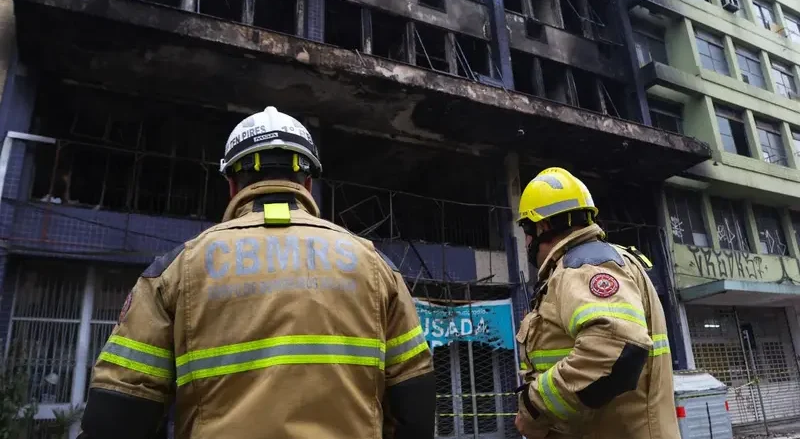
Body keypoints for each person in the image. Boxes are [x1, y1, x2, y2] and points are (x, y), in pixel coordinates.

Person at [77, 106, 435, 439]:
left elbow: (118, 413)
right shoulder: (375, 266)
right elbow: (414, 406)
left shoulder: (175, 271)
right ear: (307, 184)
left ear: (232, 184)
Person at [513, 167, 678, 439]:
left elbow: (615, 348)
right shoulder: (595, 263)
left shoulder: (583, 267)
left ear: (542, 227)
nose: (526, 242)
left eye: (526, 231)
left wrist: (534, 407)